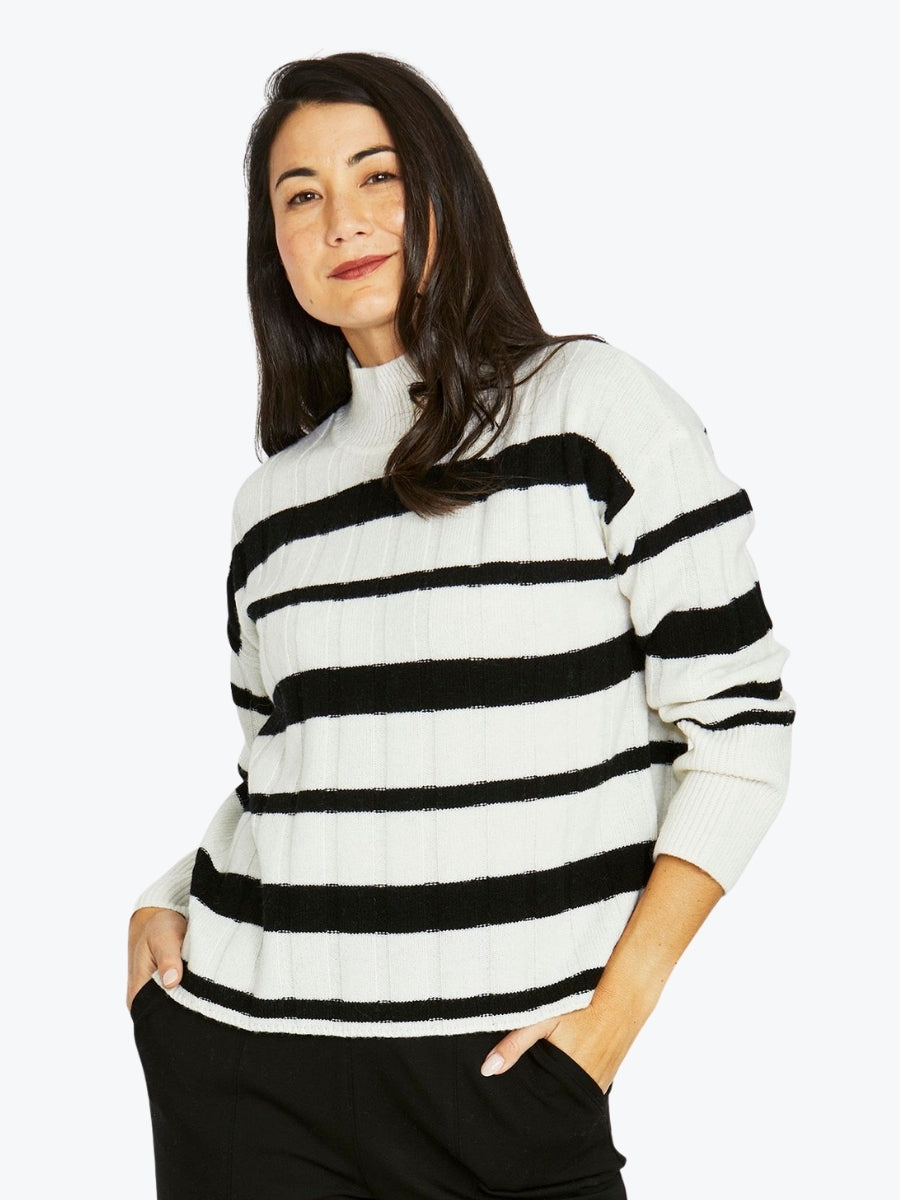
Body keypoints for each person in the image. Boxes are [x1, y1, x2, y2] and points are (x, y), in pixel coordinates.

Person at [126, 52, 796, 1200]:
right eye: (300, 195)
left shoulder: (593, 410)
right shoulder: (272, 509)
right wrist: (170, 892)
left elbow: (742, 732)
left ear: (446, 191)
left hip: (506, 1086)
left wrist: (607, 1031)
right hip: (248, 1072)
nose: (343, 219)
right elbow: (292, 772)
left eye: (377, 175)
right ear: (273, 246)